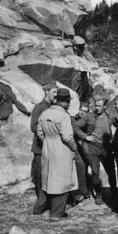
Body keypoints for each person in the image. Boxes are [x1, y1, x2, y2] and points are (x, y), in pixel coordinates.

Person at [33, 88, 78, 218]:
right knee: (61, 180)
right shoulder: (64, 115)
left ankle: (39, 208)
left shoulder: (45, 113)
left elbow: (40, 133)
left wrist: (48, 142)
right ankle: (56, 213)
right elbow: (67, 137)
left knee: (47, 179)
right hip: (61, 149)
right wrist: (74, 148)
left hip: (47, 148)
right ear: (65, 102)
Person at [73, 95, 117, 205]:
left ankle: (114, 192)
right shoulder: (89, 116)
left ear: (104, 106)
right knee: (95, 172)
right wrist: (85, 136)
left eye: (99, 106)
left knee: (111, 171)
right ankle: (98, 194)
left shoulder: (110, 117)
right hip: (92, 147)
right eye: (95, 105)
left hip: (106, 147)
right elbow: (75, 127)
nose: (96, 108)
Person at [30, 82, 58, 198]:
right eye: (54, 92)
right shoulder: (39, 107)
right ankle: (41, 202)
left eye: (57, 92)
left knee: (50, 175)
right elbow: (33, 126)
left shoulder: (53, 107)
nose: (56, 95)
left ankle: (48, 199)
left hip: (51, 147)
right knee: (40, 176)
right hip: (40, 147)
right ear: (46, 92)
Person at [71, 102, 90, 204]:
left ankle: (85, 189)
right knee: (80, 166)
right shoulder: (73, 119)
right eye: (81, 110)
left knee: (85, 167)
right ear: (78, 109)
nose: (82, 113)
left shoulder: (87, 121)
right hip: (74, 147)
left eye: (85, 112)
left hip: (84, 147)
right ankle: (79, 192)